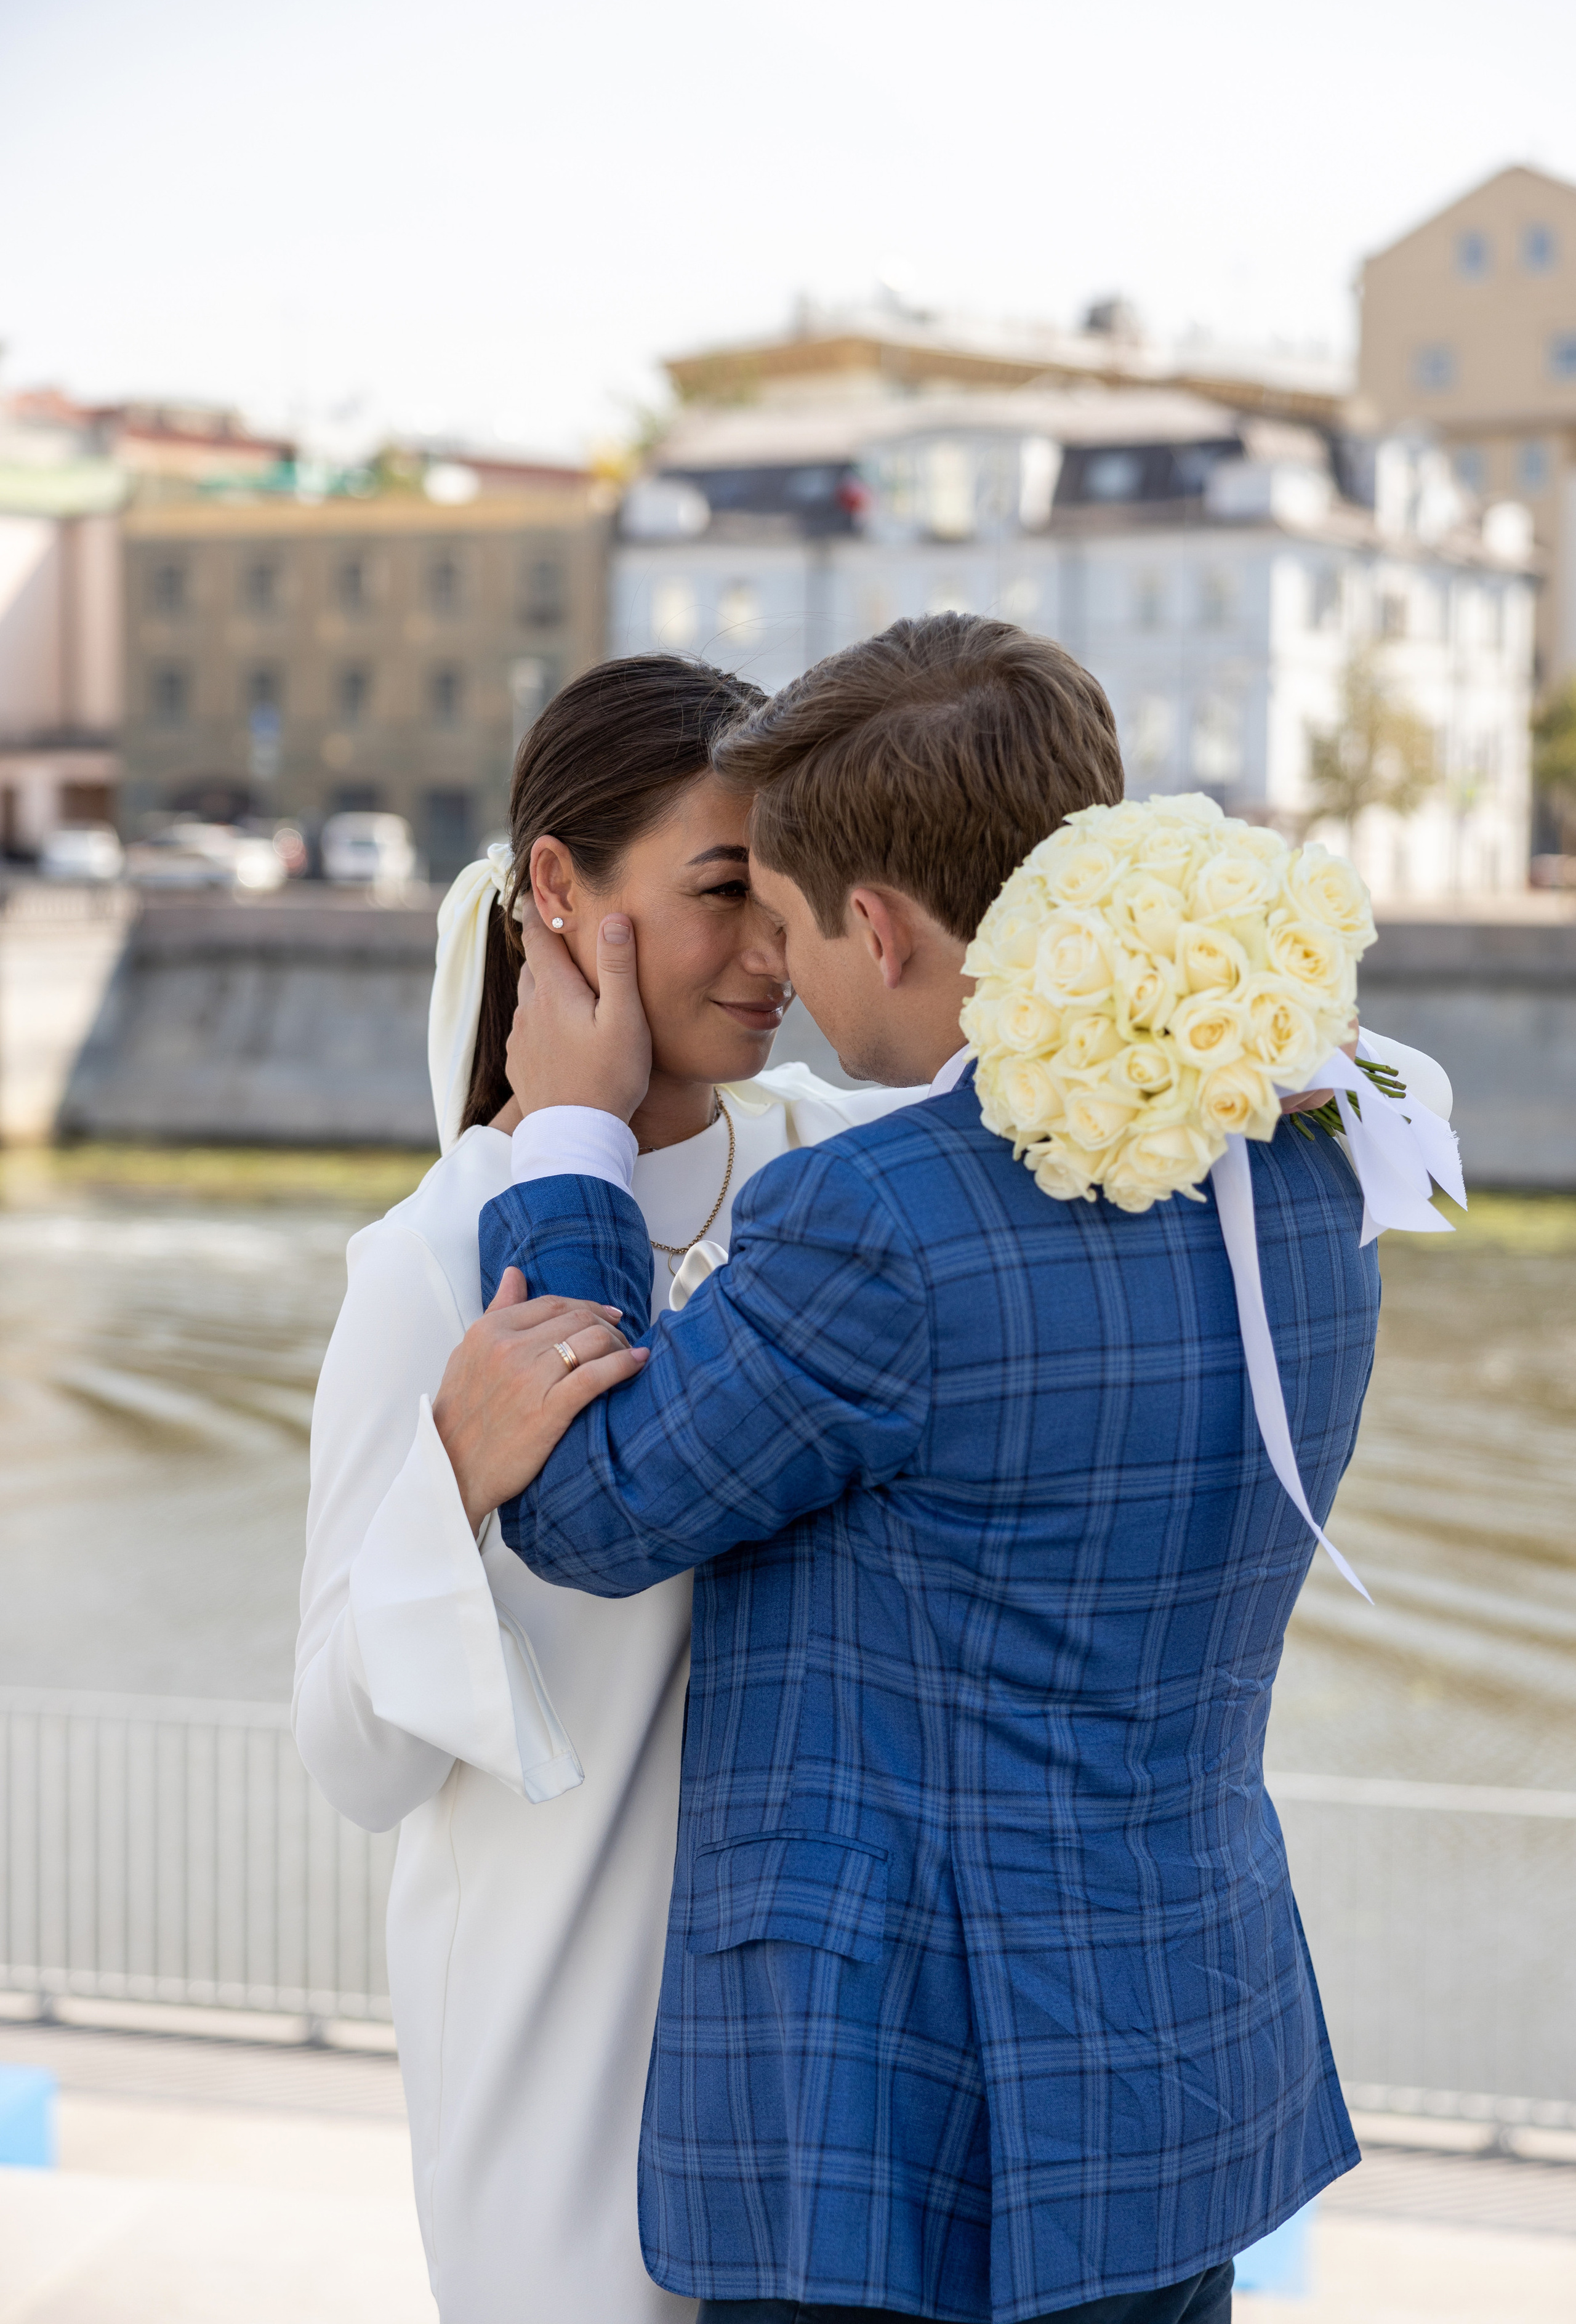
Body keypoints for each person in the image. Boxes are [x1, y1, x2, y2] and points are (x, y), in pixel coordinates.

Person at [433, 616, 1452, 2324]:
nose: (777, 968)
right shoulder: (1316, 1157)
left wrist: (573, 1141)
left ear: (885, 929)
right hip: (1189, 2077)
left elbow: (589, 1510)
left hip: (898, 2128)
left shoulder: (880, 1221)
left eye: (787, 918)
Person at [294, 654, 927, 2324]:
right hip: (564, 2054)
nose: (774, 954)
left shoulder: (841, 1172)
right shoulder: (434, 1261)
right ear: (560, 888)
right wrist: (453, 1477)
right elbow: (351, 1759)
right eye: (723, 893)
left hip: (835, 2070)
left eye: (787, 895)